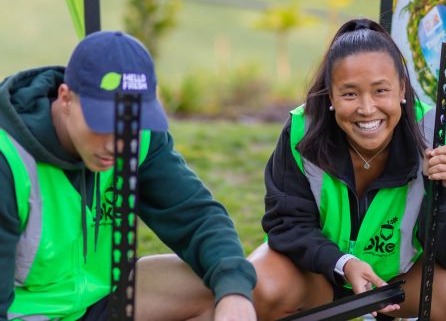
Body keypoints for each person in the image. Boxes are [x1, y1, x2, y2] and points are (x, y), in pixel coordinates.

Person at [249, 18, 446, 320]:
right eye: (350, 94)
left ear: (402, 89)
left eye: (381, 91)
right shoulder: (302, 130)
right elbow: (286, 225)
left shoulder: (436, 136)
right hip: (318, 274)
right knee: (258, 285)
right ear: (330, 96)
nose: (367, 108)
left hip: (397, 281)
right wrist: (344, 263)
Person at [0, 30, 257, 321]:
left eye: (128, 126)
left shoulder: (142, 140)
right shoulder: (7, 159)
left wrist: (235, 293)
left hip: (102, 297)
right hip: (27, 313)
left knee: (223, 285)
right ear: (66, 98)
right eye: (101, 124)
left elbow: (197, 217)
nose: (116, 145)